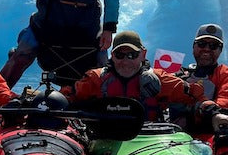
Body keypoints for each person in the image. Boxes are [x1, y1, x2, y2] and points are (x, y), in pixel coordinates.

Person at [61, 31, 203, 121]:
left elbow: (195, 95)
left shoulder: (160, 80)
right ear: (112, 56)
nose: (126, 61)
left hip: (148, 148)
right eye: (120, 55)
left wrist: (213, 112)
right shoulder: (96, 79)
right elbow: (68, 96)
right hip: (103, 144)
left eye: (132, 55)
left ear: (143, 54)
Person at [171, 23, 228, 133]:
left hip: (210, 136)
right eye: (201, 44)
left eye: (213, 45)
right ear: (194, 46)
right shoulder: (180, 75)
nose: (206, 49)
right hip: (176, 137)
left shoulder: (227, 75)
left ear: (220, 50)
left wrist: (194, 113)